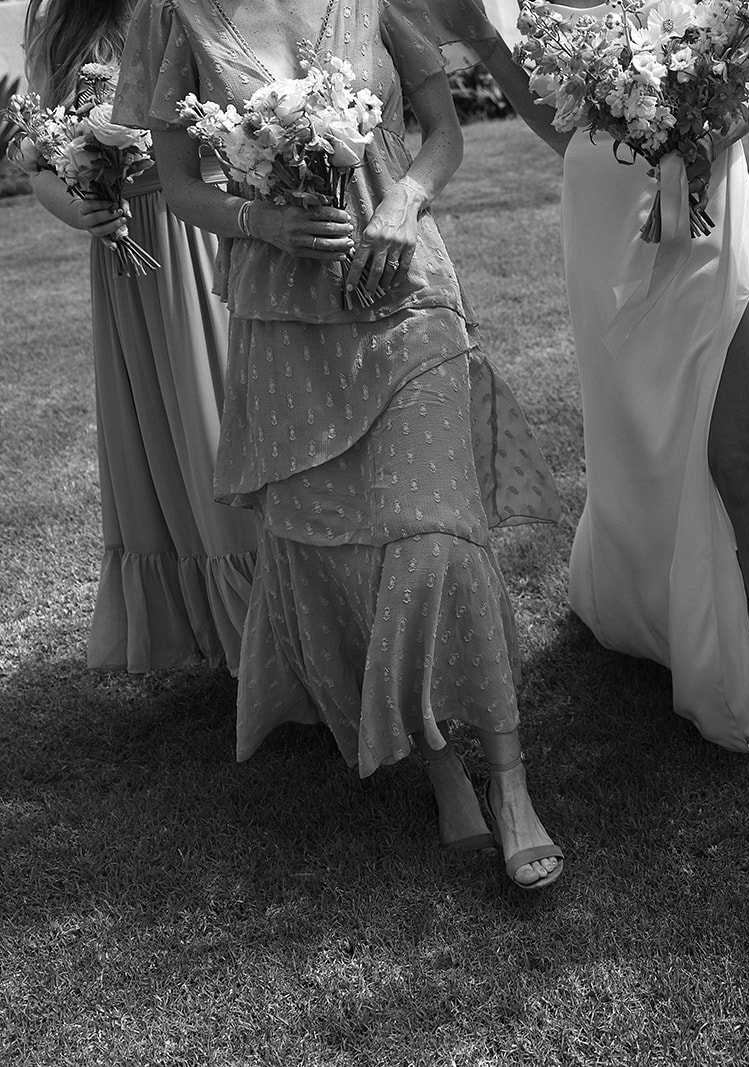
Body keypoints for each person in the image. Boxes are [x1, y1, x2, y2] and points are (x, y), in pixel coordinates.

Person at [113, 0, 567, 887]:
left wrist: (406, 196)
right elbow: (176, 181)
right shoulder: (181, 19)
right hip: (285, 321)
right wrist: (262, 223)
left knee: (438, 540)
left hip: (408, 291)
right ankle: (440, 763)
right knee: (349, 558)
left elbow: (440, 132)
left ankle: (510, 782)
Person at [414, 0, 749, 854]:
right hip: (605, 217)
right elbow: (564, 124)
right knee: (637, 431)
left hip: (711, 208)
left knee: (740, 454)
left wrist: (692, 145)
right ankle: (664, 611)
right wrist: (490, 43)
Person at [21, 0, 256, 675]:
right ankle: (216, 623)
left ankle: (275, 617)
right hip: (126, 252)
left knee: (222, 419)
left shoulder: (192, 10)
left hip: (205, 232)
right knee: (167, 426)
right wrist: (83, 205)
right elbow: (40, 164)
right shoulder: (58, 37)